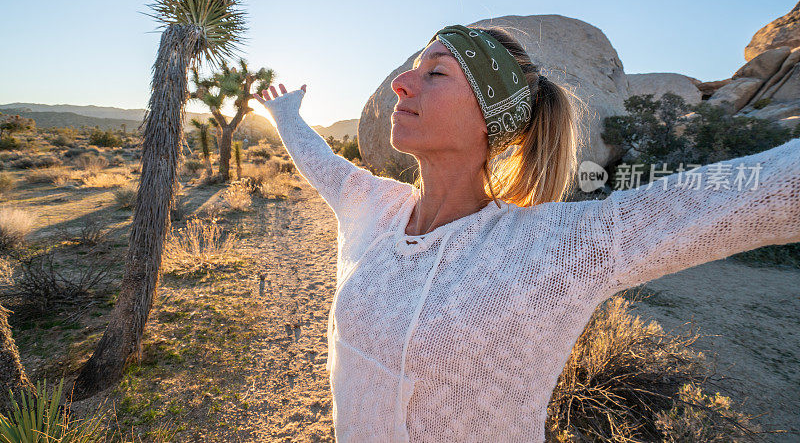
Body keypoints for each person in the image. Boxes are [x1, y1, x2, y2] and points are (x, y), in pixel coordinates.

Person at [254, 24, 800, 442]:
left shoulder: (555, 249)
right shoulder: (374, 208)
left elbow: (737, 198)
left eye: (436, 72)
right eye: (414, 68)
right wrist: (285, 115)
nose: (402, 81)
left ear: (492, 118)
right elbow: (320, 162)